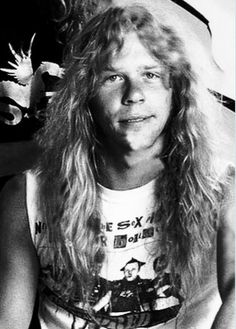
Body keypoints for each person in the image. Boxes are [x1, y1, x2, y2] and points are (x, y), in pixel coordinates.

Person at [0, 4, 234, 329]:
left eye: (150, 75)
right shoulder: (24, 196)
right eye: (113, 77)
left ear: (176, 91)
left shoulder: (223, 186)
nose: (134, 94)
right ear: (85, 97)